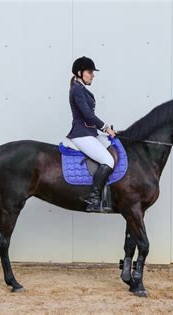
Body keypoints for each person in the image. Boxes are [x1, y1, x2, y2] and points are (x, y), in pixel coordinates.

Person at [66, 56, 117, 213]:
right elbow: (88, 115)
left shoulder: (82, 90)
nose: (92, 75)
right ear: (80, 73)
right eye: (90, 72)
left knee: (114, 146)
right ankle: (93, 199)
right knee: (108, 160)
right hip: (81, 134)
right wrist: (105, 127)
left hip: (90, 133)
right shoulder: (76, 90)